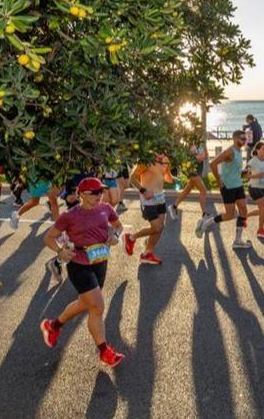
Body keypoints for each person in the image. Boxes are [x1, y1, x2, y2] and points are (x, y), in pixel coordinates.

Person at [38, 177, 125, 368]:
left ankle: (53, 326)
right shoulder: (70, 215)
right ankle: (104, 351)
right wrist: (61, 251)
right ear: (82, 195)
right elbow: (49, 237)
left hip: (100, 261)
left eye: (101, 192)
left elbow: (118, 226)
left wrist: (115, 235)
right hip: (78, 264)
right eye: (94, 193)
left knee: (84, 304)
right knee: (97, 306)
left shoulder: (106, 209)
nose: (99, 195)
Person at [199, 131, 260, 247]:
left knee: (243, 211)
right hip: (228, 187)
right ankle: (207, 223)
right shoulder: (229, 151)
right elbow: (213, 164)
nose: (244, 140)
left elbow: (234, 170)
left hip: (238, 185)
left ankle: (237, 241)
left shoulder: (238, 151)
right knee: (230, 215)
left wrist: (243, 173)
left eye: (245, 139)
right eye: (242, 138)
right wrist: (218, 181)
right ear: (235, 138)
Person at [121, 155, 172, 264]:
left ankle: (147, 254)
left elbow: (166, 176)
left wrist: (170, 176)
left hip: (160, 198)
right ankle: (130, 238)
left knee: (160, 227)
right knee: (156, 227)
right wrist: (143, 190)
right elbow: (132, 178)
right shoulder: (146, 160)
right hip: (148, 200)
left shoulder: (165, 159)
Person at [171, 143, 210, 218]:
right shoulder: (192, 144)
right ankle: (204, 214)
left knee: (186, 191)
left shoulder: (200, 145)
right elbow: (198, 158)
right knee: (203, 191)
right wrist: (202, 155)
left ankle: (174, 207)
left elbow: (206, 156)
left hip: (197, 172)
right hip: (193, 172)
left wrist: (204, 146)